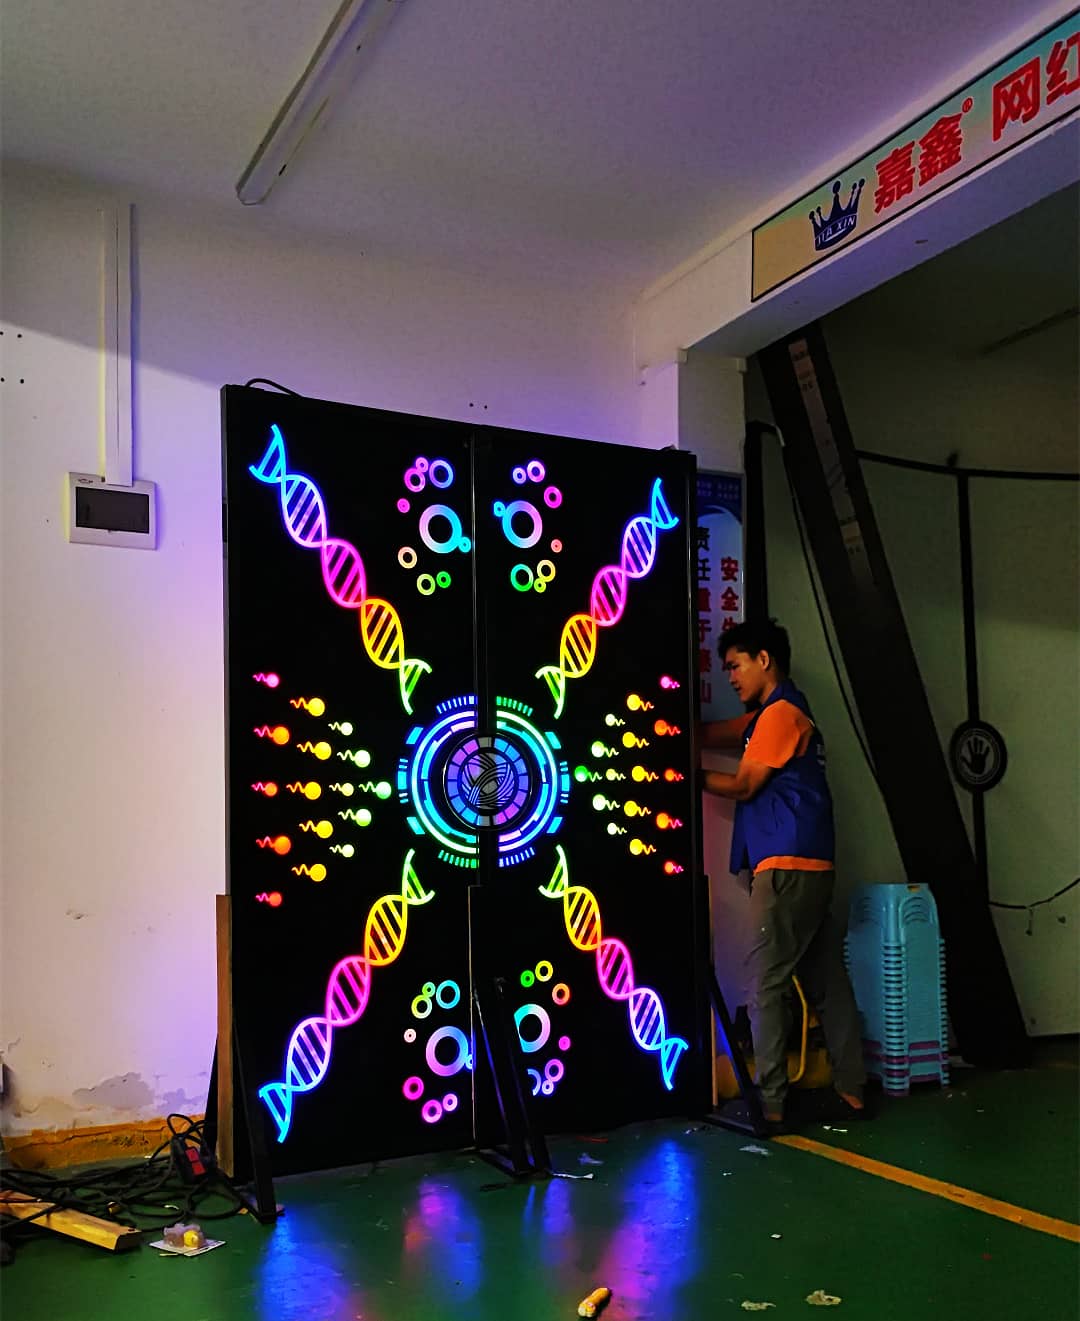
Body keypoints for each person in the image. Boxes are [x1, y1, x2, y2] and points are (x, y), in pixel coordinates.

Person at [701, 618, 866, 1130]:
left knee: (765, 984)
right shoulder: (781, 714)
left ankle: (770, 1103)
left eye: (735, 665)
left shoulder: (779, 715)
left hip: (786, 869)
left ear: (764, 659)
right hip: (811, 866)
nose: (730, 677)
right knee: (827, 982)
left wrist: (686, 776)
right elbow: (721, 733)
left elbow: (745, 785)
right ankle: (852, 1090)